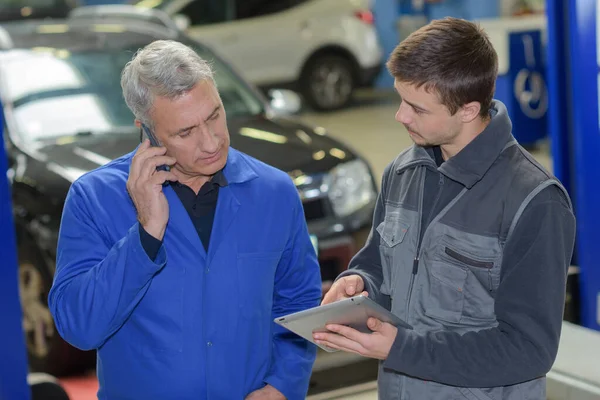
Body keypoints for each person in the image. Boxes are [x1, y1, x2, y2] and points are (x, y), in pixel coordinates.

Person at [316, 17, 576, 399]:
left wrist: (401, 348)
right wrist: (358, 283)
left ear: (468, 110)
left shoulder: (533, 201)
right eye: (401, 100)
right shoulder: (403, 172)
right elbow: (377, 262)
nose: (401, 116)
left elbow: (528, 350)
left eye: (417, 108)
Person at [48, 40, 322, 400]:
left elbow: (298, 302)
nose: (211, 143)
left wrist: (283, 385)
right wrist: (145, 233)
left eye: (214, 116)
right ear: (146, 130)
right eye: (185, 132)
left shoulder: (274, 192)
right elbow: (79, 327)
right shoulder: (95, 198)